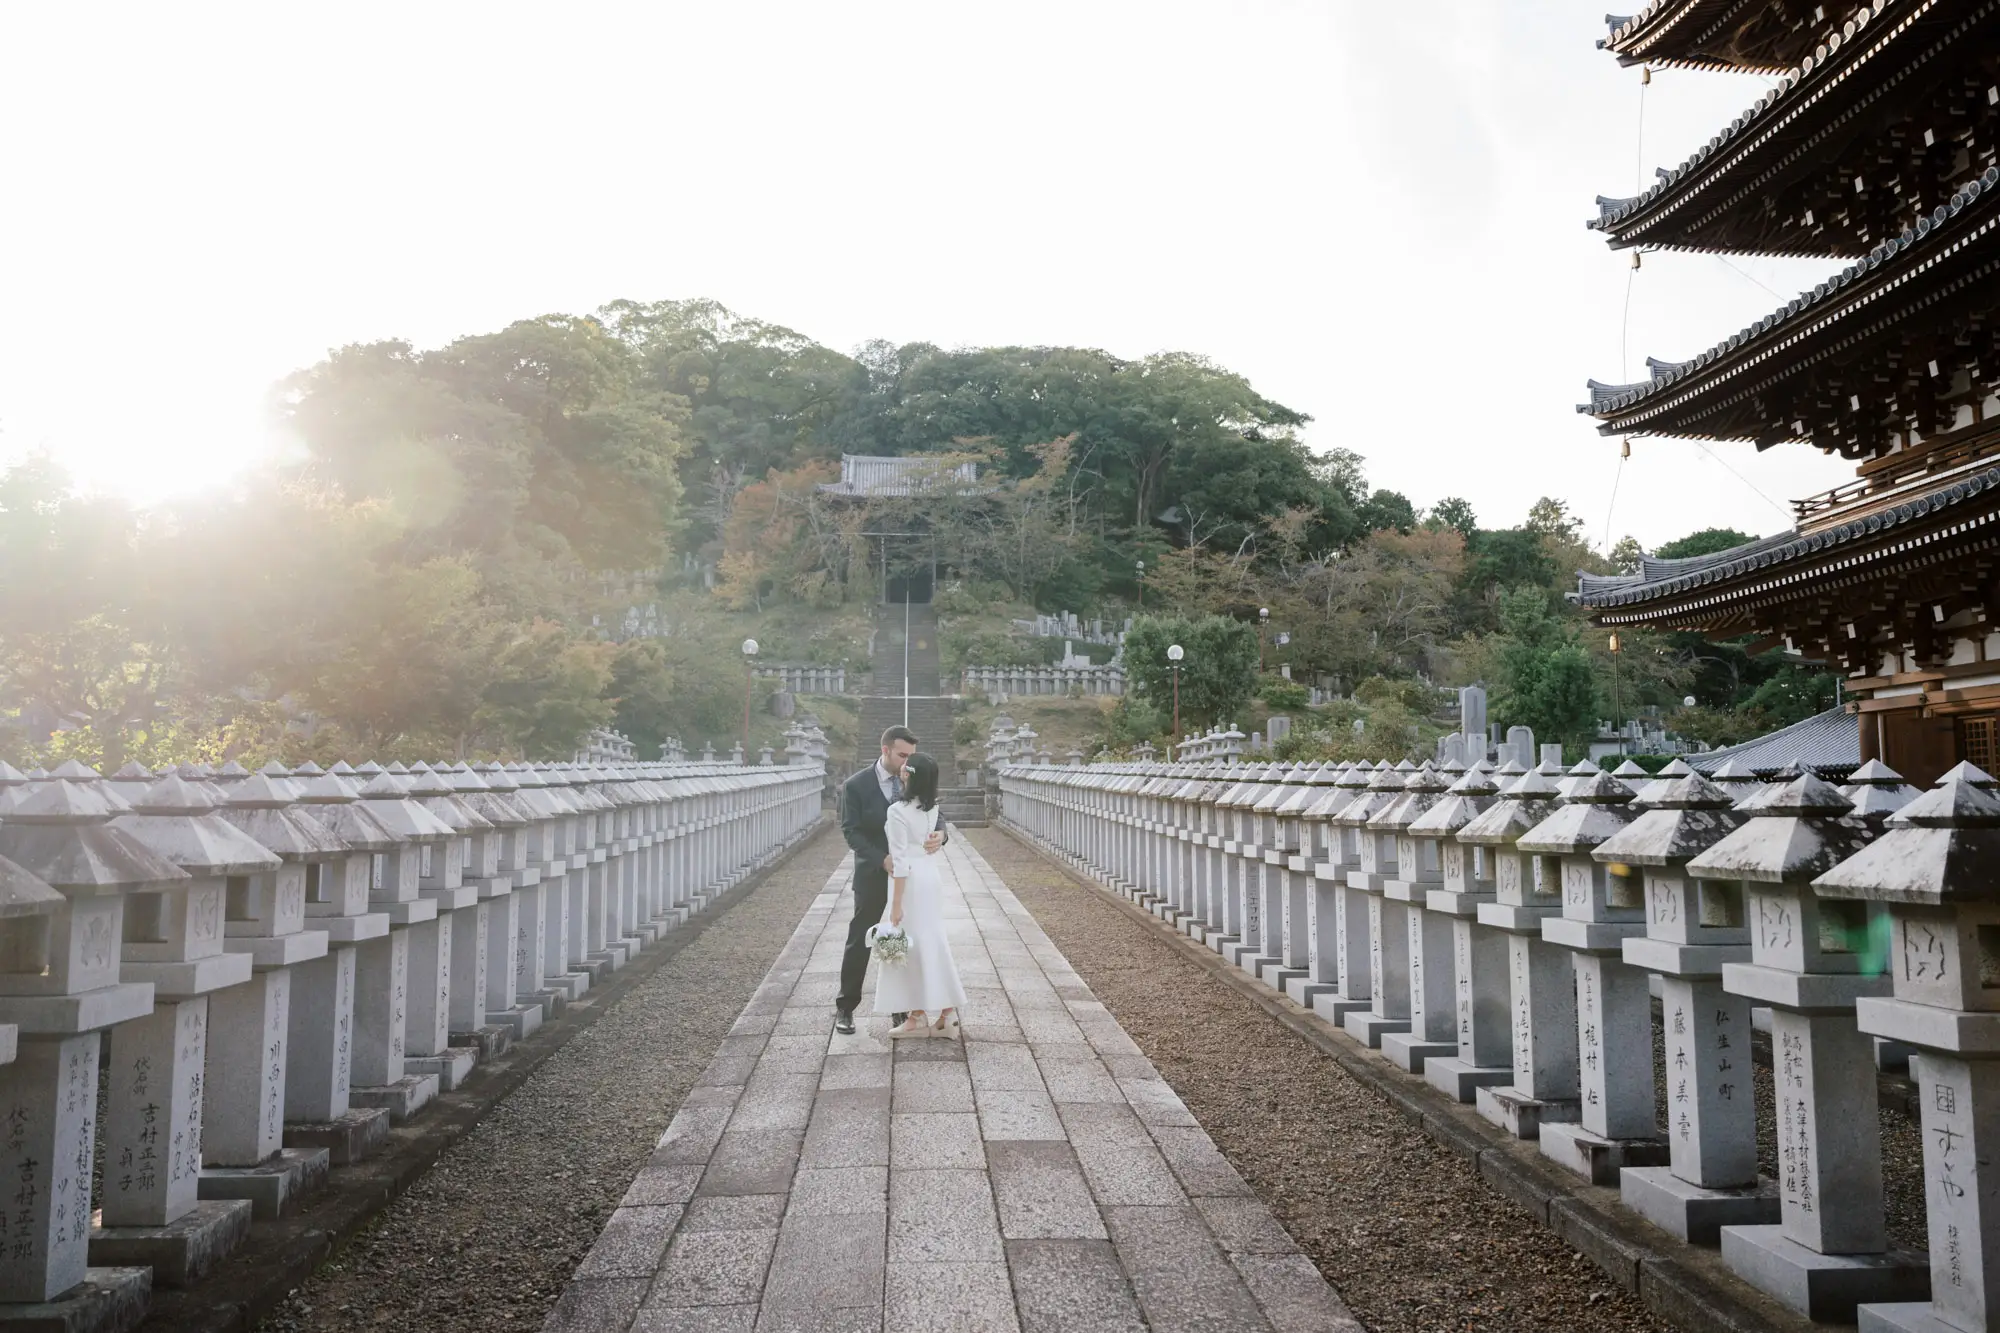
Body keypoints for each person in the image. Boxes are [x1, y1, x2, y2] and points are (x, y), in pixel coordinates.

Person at [834, 726, 946, 1034]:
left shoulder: (914, 778)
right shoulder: (856, 785)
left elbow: (935, 812)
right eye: (902, 755)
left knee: (904, 939)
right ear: (885, 750)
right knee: (861, 937)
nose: (908, 762)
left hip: (909, 878)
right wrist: (881, 859)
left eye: (911, 756)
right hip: (873, 873)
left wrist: (941, 834)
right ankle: (846, 1007)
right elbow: (851, 831)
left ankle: (901, 1009)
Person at [874, 752, 967, 1038]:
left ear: (908, 775)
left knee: (912, 946)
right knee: (929, 942)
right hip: (929, 876)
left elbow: (900, 862)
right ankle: (942, 1014)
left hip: (910, 881)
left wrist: (896, 904)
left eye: (906, 766)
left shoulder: (897, 811)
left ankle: (920, 1017)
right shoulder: (931, 807)